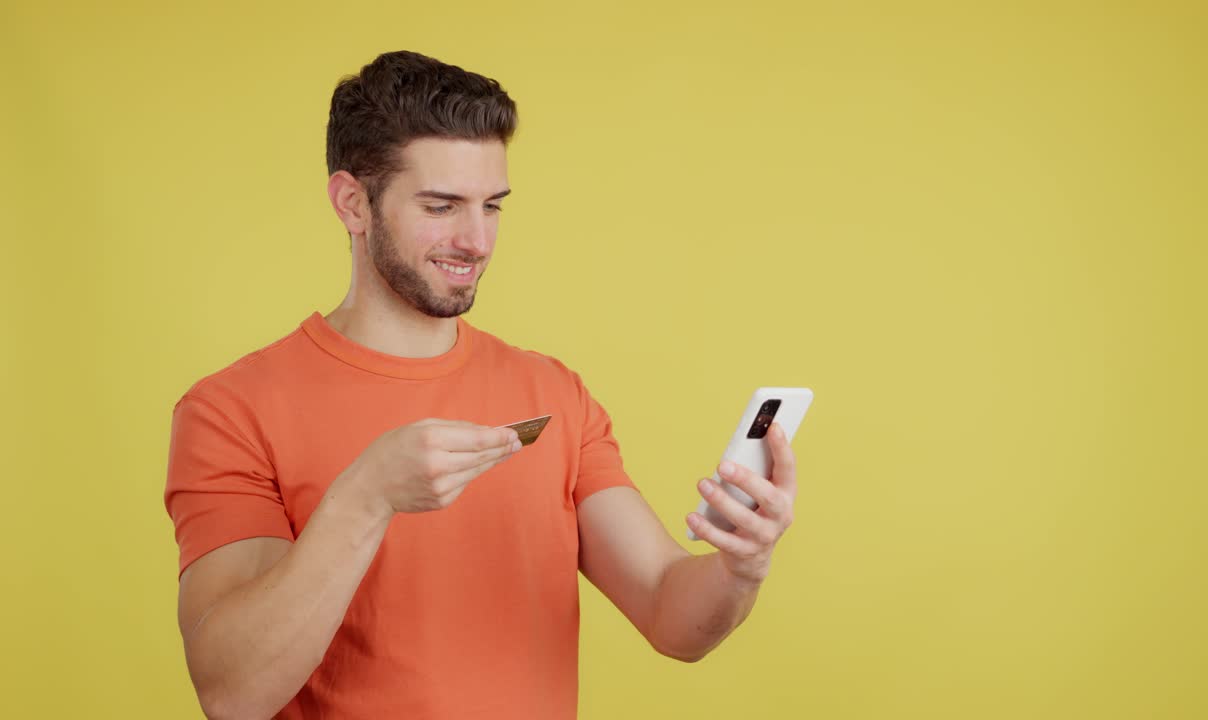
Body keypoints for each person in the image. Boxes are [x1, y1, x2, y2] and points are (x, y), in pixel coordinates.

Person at [163, 50, 799, 720]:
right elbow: (234, 694)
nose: (475, 240)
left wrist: (738, 570)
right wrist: (366, 495)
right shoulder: (230, 411)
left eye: (491, 206)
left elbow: (671, 613)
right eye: (441, 206)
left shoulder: (552, 392)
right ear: (353, 203)